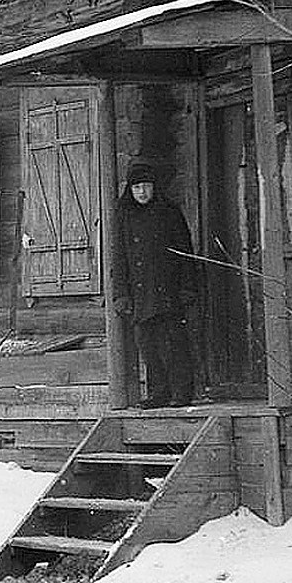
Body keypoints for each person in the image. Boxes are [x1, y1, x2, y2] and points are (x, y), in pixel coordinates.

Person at [111, 159, 200, 408]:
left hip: (168, 289)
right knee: (148, 346)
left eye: (146, 186)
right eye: (137, 187)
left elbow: (186, 252)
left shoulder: (169, 213)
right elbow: (118, 258)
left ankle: (181, 392)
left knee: (173, 343)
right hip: (140, 293)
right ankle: (158, 393)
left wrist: (187, 288)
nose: (142, 192)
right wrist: (121, 294)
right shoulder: (123, 215)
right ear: (130, 190)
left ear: (154, 187)